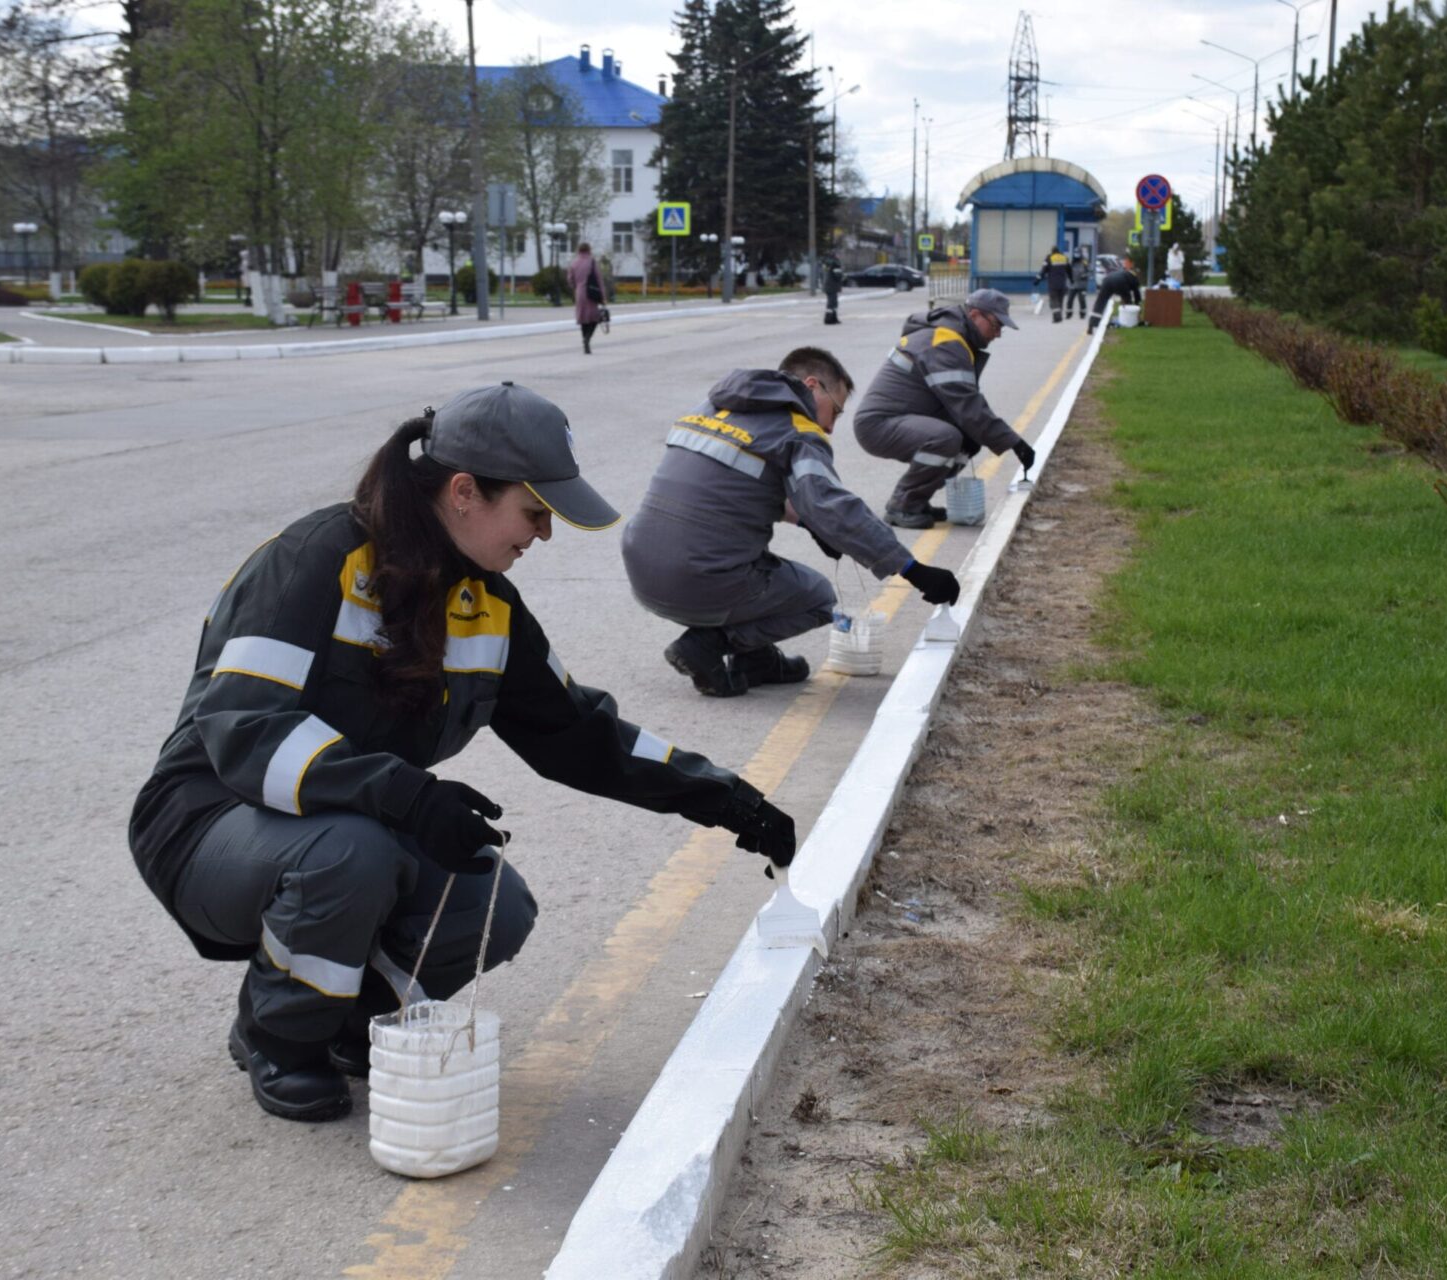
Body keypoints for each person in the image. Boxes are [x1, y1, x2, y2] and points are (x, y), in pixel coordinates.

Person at [128, 384, 797, 1123]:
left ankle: (351, 1024)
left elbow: (582, 735)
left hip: (348, 824)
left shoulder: (487, 606)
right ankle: (275, 1036)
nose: (543, 535)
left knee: (493, 902)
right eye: (535, 511)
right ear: (464, 492)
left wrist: (723, 798)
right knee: (353, 854)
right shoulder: (314, 562)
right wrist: (403, 794)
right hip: (210, 821)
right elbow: (243, 728)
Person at [622, 347, 961, 697]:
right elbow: (834, 507)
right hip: (698, 578)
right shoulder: (797, 431)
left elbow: (737, 488)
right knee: (817, 597)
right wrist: (912, 569)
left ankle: (756, 661)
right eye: (836, 410)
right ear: (812, 385)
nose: (829, 425)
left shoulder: (710, 409)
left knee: (754, 559)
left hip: (642, 571)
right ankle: (708, 644)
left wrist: (807, 523)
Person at [851, 288, 1037, 529]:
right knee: (945, 438)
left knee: (966, 438)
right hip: (878, 424)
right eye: (996, 325)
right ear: (975, 315)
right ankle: (903, 505)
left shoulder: (953, 338)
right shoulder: (945, 341)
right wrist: (1014, 442)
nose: (998, 334)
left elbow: (965, 405)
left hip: (899, 418)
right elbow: (968, 405)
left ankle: (918, 500)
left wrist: (992, 437)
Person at [566, 243, 604, 355]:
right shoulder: (591, 262)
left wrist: (576, 287)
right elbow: (598, 279)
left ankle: (584, 339)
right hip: (591, 293)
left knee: (583, 318)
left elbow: (569, 279)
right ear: (589, 250)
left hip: (579, 293)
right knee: (595, 318)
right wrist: (603, 296)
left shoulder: (574, 263)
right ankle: (587, 338)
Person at [1087, 259, 1143, 333]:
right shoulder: (1134, 278)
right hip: (1121, 282)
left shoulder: (1124, 273)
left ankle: (1091, 326)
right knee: (1128, 303)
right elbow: (1137, 294)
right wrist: (1137, 306)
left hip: (1107, 281)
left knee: (1100, 303)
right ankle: (1128, 322)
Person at [1041, 246, 1072, 323]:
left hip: (1053, 284)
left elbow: (1043, 270)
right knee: (1060, 300)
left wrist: (1038, 279)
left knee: (1054, 301)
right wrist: (1072, 280)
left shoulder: (1049, 258)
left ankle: (1057, 317)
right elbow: (1069, 270)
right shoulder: (1064, 258)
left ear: (1052, 251)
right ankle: (1059, 317)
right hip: (1062, 284)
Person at [821, 256, 844, 326]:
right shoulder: (835, 264)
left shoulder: (826, 264)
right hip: (833, 286)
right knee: (832, 302)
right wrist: (842, 276)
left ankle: (832, 318)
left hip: (827, 285)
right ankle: (830, 319)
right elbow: (838, 275)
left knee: (832, 302)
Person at [1070, 248, 1091, 320]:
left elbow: (1089, 272)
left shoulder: (1084, 262)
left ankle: (1083, 314)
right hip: (1073, 285)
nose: (1077, 256)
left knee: (1081, 300)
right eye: (1076, 254)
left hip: (1082, 285)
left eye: (1078, 254)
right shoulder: (1072, 263)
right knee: (1070, 299)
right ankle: (1069, 314)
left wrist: (1084, 275)